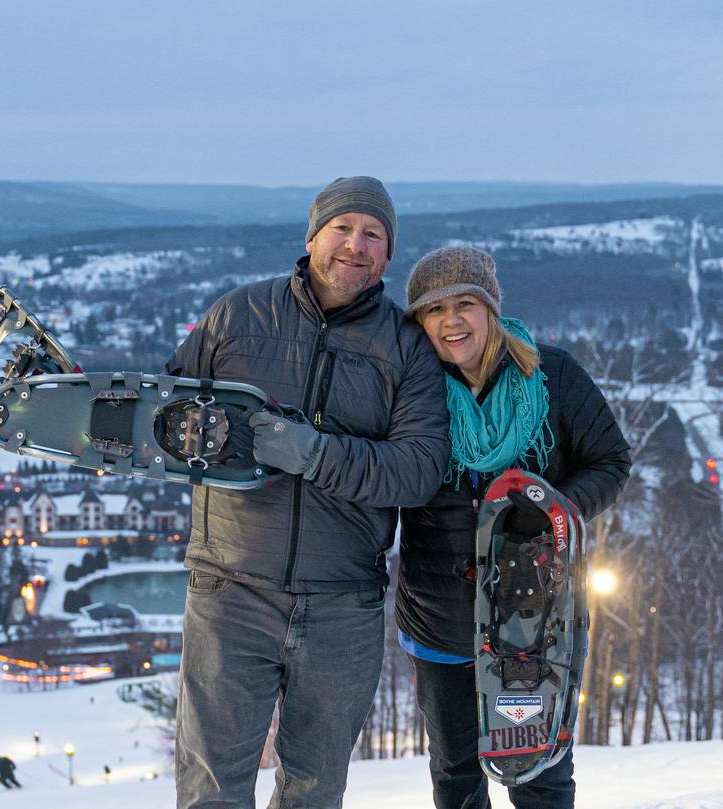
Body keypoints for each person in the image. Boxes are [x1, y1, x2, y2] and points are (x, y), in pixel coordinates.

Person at [165, 176, 451, 808]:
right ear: (312, 236)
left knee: (315, 788)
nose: (356, 245)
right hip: (230, 588)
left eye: (373, 234)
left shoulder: (405, 346)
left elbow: (418, 469)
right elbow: (165, 411)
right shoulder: (239, 315)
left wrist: (315, 454)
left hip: (341, 602)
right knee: (212, 783)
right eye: (343, 228)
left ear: (388, 253)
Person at [396, 246, 632, 809]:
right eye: (434, 310)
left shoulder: (553, 375)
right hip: (440, 618)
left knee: (539, 771)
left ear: (491, 309)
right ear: (419, 324)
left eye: (465, 304)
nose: (451, 321)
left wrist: (547, 511)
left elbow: (610, 462)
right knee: (455, 772)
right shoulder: (411, 390)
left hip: (535, 616)